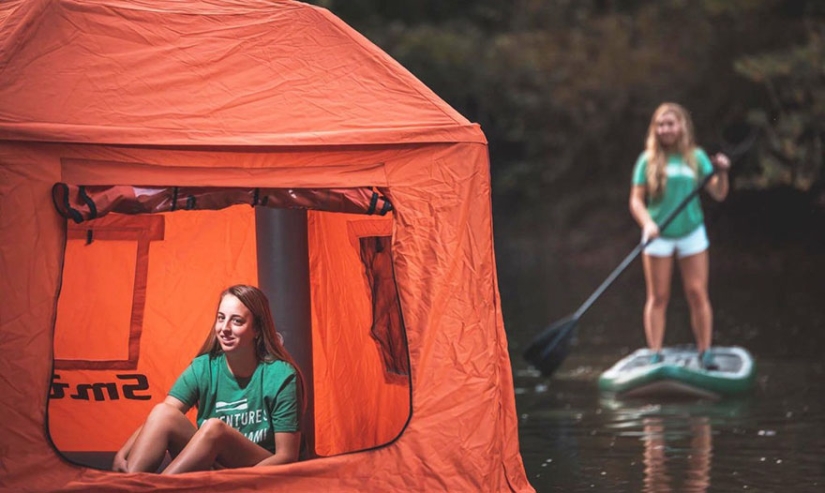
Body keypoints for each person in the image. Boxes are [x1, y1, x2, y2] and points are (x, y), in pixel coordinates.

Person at [112, 284, 306, 474]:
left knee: (215, 428)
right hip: (210, 463)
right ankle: (129, 483)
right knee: (164, 411)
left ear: (256, 329)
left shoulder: (281, 375)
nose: (224, 328)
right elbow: (159, 418)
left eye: (237, 321)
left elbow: (286, 456)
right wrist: (123, 452)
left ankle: (161, 488)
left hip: (259, 472)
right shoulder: (204, 367)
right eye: (221, 318)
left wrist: (230, 480)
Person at [629, 102, 730, 368]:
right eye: (660, 125)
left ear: (681, 126)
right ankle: (655, 353)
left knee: (697, 292)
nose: (665, 129)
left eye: (670, 124)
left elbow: (719, 194)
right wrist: (648, 223)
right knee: (658, 296)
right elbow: (636, 201)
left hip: (691, 232)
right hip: (658, 234)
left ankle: (705, 351)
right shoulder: (647, 160)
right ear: (655, 129)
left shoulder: (695, 157)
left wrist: (721, 172)